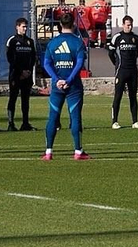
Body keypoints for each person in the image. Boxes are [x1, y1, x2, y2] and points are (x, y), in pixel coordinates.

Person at [42, 16, 90, 160]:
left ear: (60, 25)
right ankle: (78, 151)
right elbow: (79, 63)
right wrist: (69, 80)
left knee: (53, 117)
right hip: (73, 86)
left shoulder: (53, 43)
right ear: (74, 24)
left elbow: (46, 64)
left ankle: (48, 152)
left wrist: (57, 79)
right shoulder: (77, 42)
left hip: (57, 87)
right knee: (75, 117)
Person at [109, 15, 138, 129]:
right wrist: (117, 64)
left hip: (133, 70)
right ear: (123, 25)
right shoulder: (117, 37)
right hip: (121, 71)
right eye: (127, 24)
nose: (129, 27)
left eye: (131, 25)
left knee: (133, 96)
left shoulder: (136, 38)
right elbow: (111, 53)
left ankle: (135, 122)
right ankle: (114, 121)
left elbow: (137, 52)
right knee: (118, 96)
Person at [6, 18, 37, 132]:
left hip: (27, 76)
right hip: (15, 75)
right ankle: (11, 123)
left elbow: (33, 57)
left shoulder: (30, 41)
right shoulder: (12, 41)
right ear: (17, 27)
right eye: (23, 26)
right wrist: (20, 72)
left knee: (25, 100)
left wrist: (28, 71)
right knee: (13, 98)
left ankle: (25, 123)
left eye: (26, 27)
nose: (25, 29)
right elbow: (11, 59)